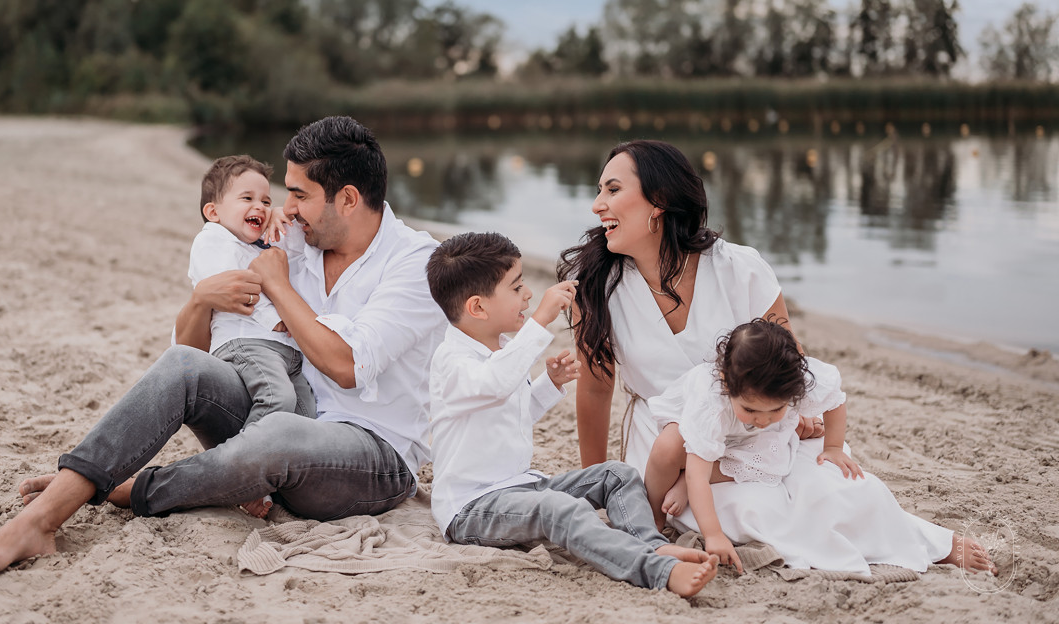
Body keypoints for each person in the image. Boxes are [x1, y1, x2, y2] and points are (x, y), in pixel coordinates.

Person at [0, 116, 448, 574]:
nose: (285, 207)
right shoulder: (294, 238)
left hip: (371, 455)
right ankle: (41, 519)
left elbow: (348, 365)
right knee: (184, 366)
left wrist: (278, 284)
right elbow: (199, 352)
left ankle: (127, 488)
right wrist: (198, 303)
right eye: (285, 193)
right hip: (278, 417)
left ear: (347, 199)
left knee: (277, 433)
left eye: (298, 194)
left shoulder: (417, 263)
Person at [558, 139, 994, 576]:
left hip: (760, 431)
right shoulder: (596, 286)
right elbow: (596, 391)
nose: (597, 205)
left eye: (612, 190)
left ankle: (924, 539)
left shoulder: (738, 268)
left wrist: (789, 405)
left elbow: (789, 355)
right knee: (751, 510)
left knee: (840, 489)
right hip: (667, 445)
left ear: (660, 202)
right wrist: (599, 483)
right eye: (600, 191)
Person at [426, 231, 719, 598]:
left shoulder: (500, 348)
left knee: (617, 474)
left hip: (519, 486)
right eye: (517, 288)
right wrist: (541, 321)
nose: (528, 294)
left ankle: (650, 543)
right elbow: (496, 384)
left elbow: (513, 411)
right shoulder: (452, 362)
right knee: (559, 510)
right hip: (472, 507)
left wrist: (548, 383)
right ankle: (657, 570)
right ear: (478, 308)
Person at [646, 317, 967, 574]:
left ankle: (686, 481)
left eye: (776, 409)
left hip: (743, 442)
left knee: (767, 461)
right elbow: (699, 473)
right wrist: (713, 534)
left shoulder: (797, 380)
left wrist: (834, 447)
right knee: (668, 448)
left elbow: (835, 401)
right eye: (752, 410)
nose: (763, 418)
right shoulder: (711, 402)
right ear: (727, 384)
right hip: (695, 429)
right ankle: (654, 517)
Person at [190, 154, 315, 427]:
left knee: (309, 419)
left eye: (266, 201)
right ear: (213, 213)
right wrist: (278, 319)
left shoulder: (260, 244)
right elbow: (234, 288)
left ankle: (288, 464)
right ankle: (241, 456)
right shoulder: (214, 239)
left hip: (286, 351)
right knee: (277, 399)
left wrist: (283, 218)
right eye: (247, 199)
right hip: (246, 343)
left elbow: (297, 251)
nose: (260, 206)